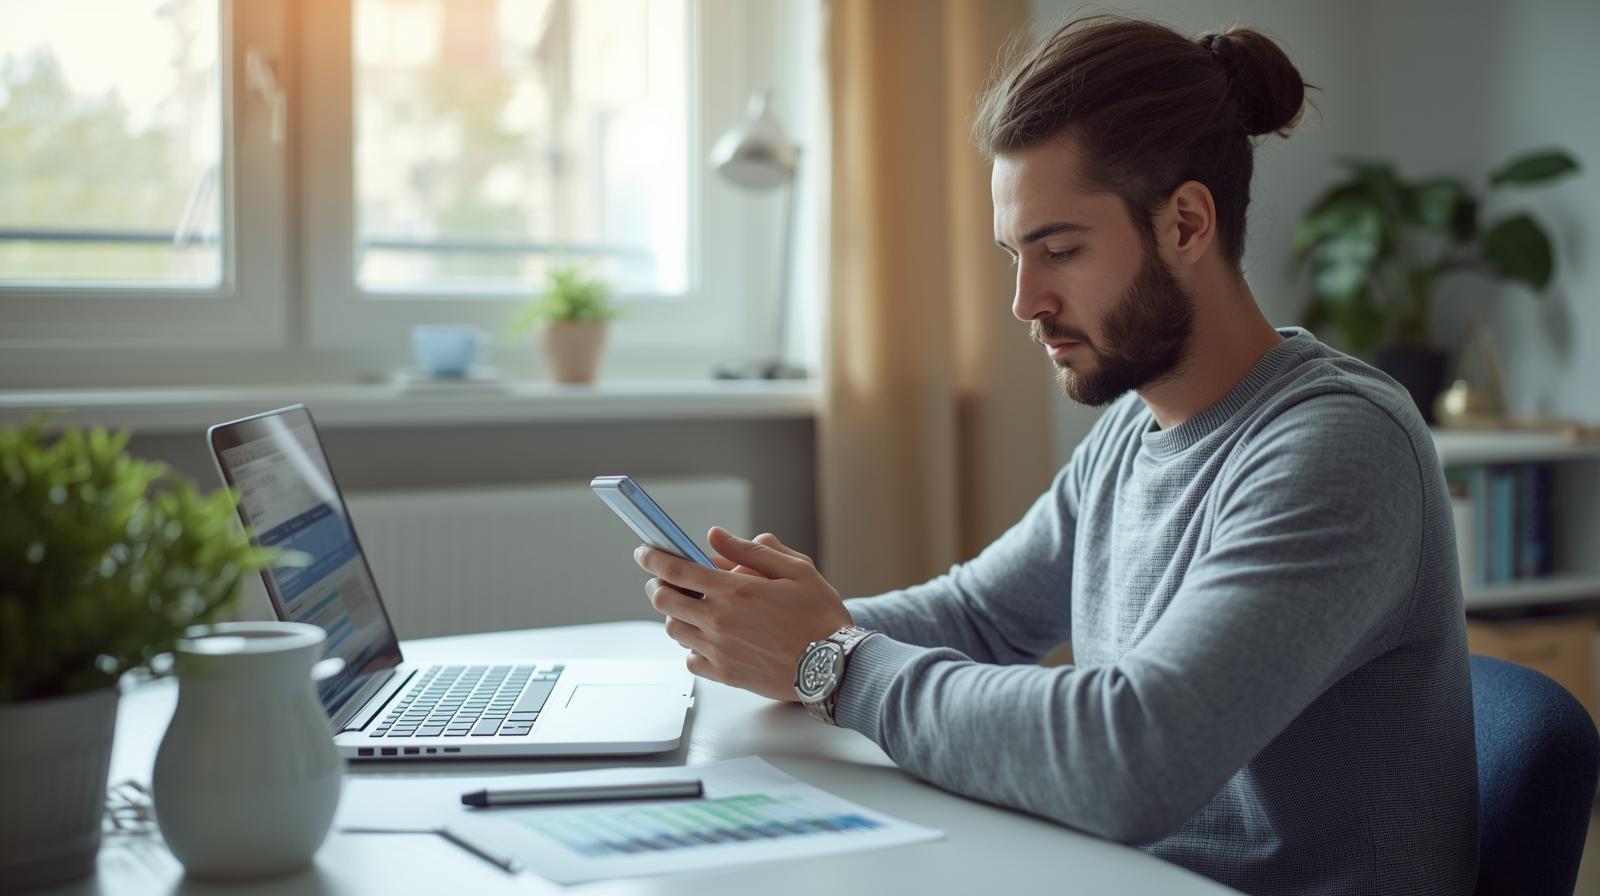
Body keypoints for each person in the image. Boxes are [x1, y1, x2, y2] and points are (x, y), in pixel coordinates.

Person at [634, 14, 1476, 895]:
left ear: (1186, 224)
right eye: (1014, 255)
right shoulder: (1132, 429)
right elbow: (980, 617)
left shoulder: (1337, 446)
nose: (1024, 301)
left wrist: (834, 664)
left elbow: (1136, 755)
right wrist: (768, 629)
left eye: (1061, 251)